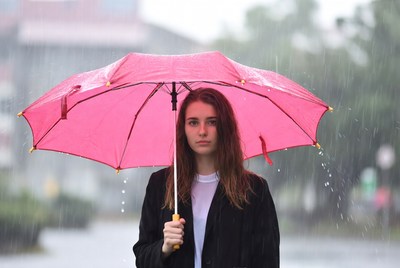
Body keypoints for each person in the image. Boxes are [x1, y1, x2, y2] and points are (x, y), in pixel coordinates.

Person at [133, 87, 280, 268]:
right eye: (193, 123)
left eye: (212, 122)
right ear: (183, 128)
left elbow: (267, 260)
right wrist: (164, 248)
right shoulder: (161, 184)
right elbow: (141, 258)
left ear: (224, 127)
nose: (202, 131)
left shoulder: (254, 189)